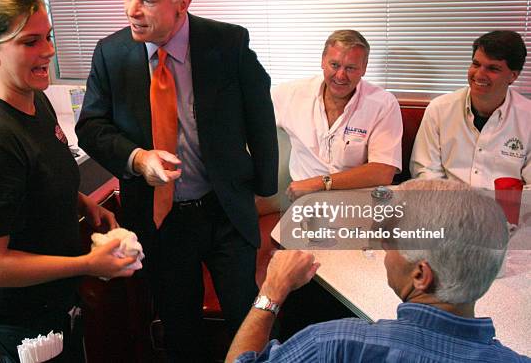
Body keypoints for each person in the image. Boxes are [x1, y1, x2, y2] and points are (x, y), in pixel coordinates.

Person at [75, 0, 278, 361]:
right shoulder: (110, 54)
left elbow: (261, 113)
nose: (132, 10)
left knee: (248, 320)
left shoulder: (228, 43)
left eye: (147, 0)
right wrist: (138, 159)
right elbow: (91, 128)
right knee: (180, 329)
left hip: (224, 210)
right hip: (161, 220)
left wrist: (262, 187)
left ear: (183, 3)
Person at [0, 0, 138, 362]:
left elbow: (39, 176)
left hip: (50, 305)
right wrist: (88, 264)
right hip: (7, 327)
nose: (48, 50)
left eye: (47, 37)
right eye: (30, 42)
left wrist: (82, 202)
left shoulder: (36, 101)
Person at [226, 179, 529, 363]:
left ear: (421, 275)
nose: (385, 249)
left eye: (391, 242)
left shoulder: (334, 345)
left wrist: (271, 290)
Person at [271, 30, 402, 201]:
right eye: (334, 65)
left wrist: (320, 183)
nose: (340, 75)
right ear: (322, 61)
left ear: (364, 68)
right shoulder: (289, 94)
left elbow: (383, 172)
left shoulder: (384, 103)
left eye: (350, 68)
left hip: (356, 201)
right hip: (303, 201)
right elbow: (246, 117)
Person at [410, 30, 530, 189]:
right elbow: (426, 171)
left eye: (493, 68)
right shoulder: (439, 109)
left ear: (513, 76)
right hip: (448, 205)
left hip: (507, 209)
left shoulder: (527, 117)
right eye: (476, 64)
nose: (479, 74)